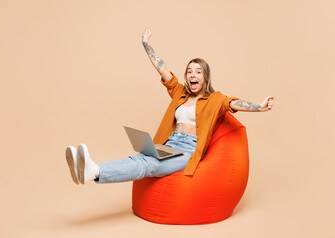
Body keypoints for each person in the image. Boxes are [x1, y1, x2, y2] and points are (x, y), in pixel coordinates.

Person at [65, 28, 274, 185]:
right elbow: (162, 69)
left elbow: (234, 103)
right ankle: (88, 171)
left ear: (206, 77)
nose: (193, 75)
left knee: (149, 165)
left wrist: (260, 106)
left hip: (188, 150)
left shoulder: (215, 99)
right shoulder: (180, 92)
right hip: (169, 144)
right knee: (138, 158)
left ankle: (94, 171)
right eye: (190, 71)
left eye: (198, 72)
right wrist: (146, 44)